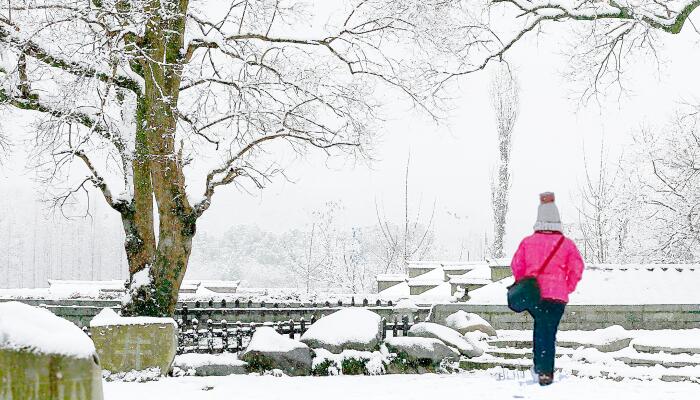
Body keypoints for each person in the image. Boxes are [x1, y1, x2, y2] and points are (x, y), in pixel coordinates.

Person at [510, 192, 584, 386]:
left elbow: (516, 265)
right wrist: (567, 286)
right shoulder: (566, 244)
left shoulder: (528, 242)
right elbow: (577, 268)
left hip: (536, 296)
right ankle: (544, 370)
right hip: (558, 297)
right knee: (548, 330)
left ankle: (541, 368)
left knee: (541, 328)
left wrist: (525, 283)